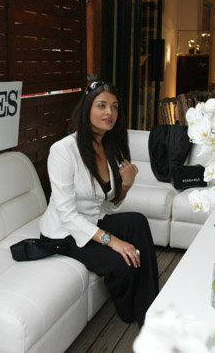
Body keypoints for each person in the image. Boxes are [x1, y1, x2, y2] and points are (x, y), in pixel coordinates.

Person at [39, 81, 159, 327]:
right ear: (86, 109)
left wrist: (125, 186)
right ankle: (132, 315)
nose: (109, 113)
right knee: (122, 263)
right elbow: (67, 215)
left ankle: (150, 309)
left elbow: (106, 206)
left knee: (137, 221)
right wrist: (113, 241)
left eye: (114, 107)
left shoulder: (110, 146)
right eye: (101, 105)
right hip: (64, 234)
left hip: (92, 222)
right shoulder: (62, 150)